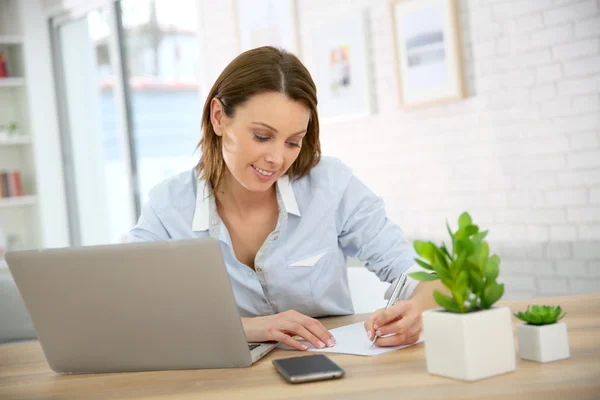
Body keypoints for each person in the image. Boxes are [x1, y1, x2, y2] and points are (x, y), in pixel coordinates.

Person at [129, 46, 444, 351]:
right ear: (218, 118)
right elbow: (131, 314)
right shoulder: (168, 207)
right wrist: (252, 328)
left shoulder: (331, 186)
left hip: (330, 374)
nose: (277, 159)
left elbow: (421, 275)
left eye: (293, 142)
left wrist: (417, 310)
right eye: (262, 137)